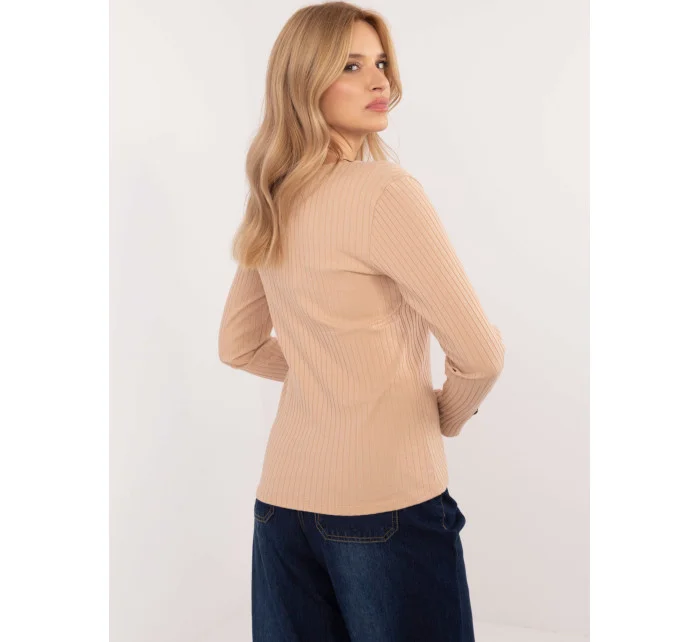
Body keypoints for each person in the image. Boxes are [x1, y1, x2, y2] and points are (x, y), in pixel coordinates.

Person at [218, 2, 506, 640]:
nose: (380, 80)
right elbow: (481, 355)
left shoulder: (274, 196)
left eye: (380, 63)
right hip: (387, 499)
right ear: (304, 80)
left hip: (281, 506)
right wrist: (440, 416)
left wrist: (329, 371)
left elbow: (236, 345)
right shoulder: (386, 192)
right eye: (351, 65)